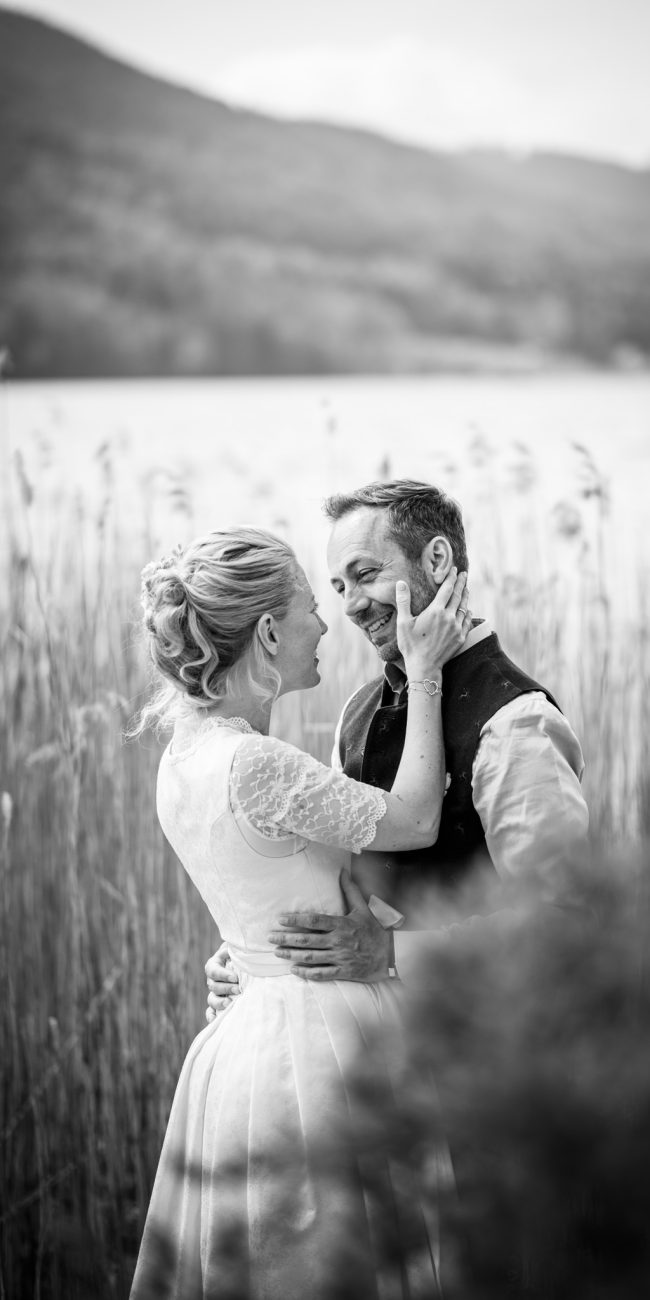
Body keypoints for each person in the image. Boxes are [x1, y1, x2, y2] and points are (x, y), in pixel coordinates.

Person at [129, 525, 471, 1300]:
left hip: (239, 1039)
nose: (328, 624)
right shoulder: (256, 762)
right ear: (271, 632)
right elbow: (415, 819)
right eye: (313, 608)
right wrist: (424, 672)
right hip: (317, 1051)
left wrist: (237, 959)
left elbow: (253, 887)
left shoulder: (183, 755)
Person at [206, 479, 588, 1004]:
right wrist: (255, 955)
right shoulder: (355, 712)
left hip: (480, 1052)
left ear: (436, 562)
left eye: (365, 575)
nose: (351, 607)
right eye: (339, 587)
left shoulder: (516, 722)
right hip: (377, 1054)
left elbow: (560, 926)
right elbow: (335, 877)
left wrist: (392, 955)